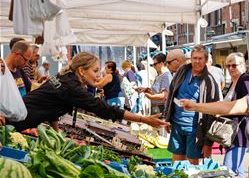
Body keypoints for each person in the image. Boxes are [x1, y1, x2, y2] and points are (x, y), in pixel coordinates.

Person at [5, 52, 169, 131]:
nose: (99, 74)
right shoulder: (71, 87)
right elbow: (104, 109)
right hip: (11, 122)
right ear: (82, 71)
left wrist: (57, 134)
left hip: (16, 119)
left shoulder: (65, 78)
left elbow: (51, 106)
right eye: (95, 70)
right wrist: (143, 119)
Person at [164, 44, 221, 165]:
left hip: (195, 130)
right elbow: (172, 93)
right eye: (194, 58)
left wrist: (208, 143)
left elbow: (213, 112)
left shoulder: (209, 81)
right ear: (190, 58)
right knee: (176, 163)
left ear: (205, 60)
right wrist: (167, 118)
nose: (197, 61)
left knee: (191, 166)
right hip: (177, 124)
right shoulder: (182, 71)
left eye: (200, 58)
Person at [221, 52, 249, 177]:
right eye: (228, 66)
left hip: (239, 132)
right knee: (235, 170)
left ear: (242, 66)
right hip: (231, 134)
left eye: (234, 65)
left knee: (229, 171)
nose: (230, 68)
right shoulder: (233, 82)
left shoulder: (245, 79)